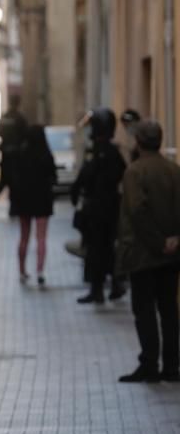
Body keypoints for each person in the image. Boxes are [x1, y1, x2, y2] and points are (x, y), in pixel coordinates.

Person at [116, 120, 180, 383]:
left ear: (139, 143)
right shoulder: (174, 170)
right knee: (169, 310)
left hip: (143, 254)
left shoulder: (134, 172)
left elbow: (138, 211)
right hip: (171, 253)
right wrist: (174, 239)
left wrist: (157, 242)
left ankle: (150, 363)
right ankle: (172, 365)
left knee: (144, 311)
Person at [71, 108, 127, 304]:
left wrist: (79, 190)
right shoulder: (105, 152)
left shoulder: (104, 153)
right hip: (105, 208)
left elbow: (89, 176)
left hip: (100, 209)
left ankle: (100, 288)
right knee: (104, 249)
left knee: (97, 249)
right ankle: (112, 285)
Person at [9, 124, 57, 285]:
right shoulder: (46, 155)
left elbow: (14, 179)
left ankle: (22, 270)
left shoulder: (21, 155)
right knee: (41, 237)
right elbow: (53, 177)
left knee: (24, 236)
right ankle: (40, 271)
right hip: (42, 200)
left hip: (25, 201)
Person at [0, 94, 28, 215]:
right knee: (14, 183)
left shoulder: (5, 117)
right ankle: (13, 208)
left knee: (3, 182)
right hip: (15, 157)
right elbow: (25, 136)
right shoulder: (20, 118)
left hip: (6, 155)